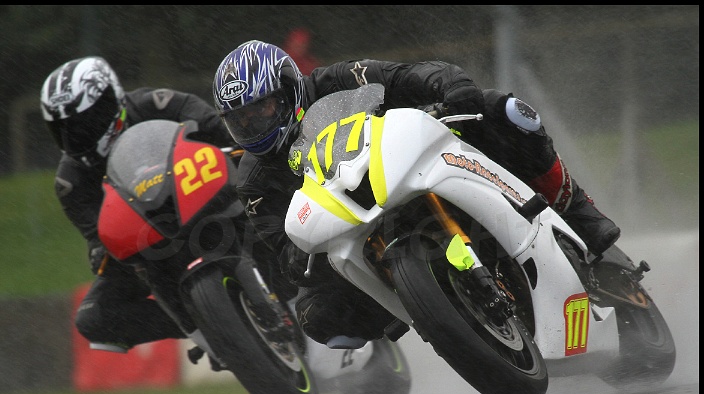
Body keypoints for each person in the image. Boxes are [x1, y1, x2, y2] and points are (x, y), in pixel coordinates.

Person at [211, 40, 621, 349]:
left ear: (288, 90)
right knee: (316, 315)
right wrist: (298, 256)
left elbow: (404, 76)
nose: (252, 125)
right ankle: (428, 313)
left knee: (507, 111)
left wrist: (452, 86)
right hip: (352, 232)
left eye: (260, 110)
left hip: (405, 166)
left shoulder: (334, 80)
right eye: (240, 120)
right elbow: (280, 251)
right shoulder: (254, 181)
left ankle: (580, 211)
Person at [41, 56, 234, 354]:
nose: (77, 135)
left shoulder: (153, 104)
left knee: (256, 175)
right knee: (93, 317)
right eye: (65, 130)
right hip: (151, 247)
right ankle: (201, 327)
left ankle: (296, 259)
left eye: (86, 121)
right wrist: (99, 251)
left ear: (112, 99)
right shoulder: (70, 184)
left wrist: (233, 146)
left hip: (203, 198)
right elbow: (98, 238)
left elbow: (209, 122)